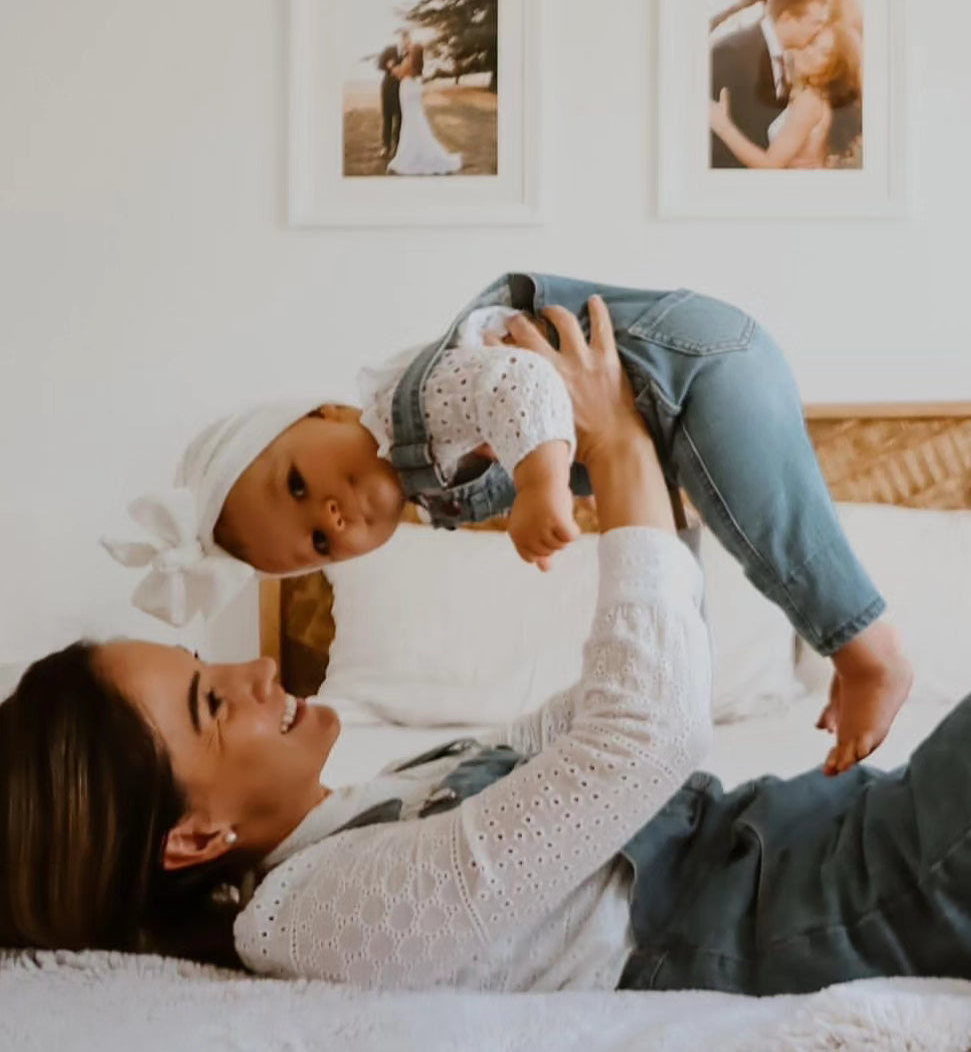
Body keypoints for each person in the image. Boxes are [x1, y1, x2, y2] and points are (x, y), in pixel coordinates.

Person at [6, 303, 971, 996]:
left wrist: (627, 463)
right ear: (193, 836)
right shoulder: (303, 917)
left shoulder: (380, 796)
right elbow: (649, 738)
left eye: (211, 674)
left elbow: (621, 699)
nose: (259, 672)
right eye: (211, 704)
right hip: (818, 911)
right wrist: (620, 452)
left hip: (828, 840)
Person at [105, 274, 911, 775]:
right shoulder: (429, 479)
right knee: (740, 537)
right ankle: (818, 656)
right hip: (672, 405)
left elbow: (522, 378)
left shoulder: (414, 400)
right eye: (321, 542)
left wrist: (540, 483)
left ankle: (866, 652)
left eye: (297, 482)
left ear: (326, 412)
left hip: (692, 364)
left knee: (770, 527)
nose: (334, 512)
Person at [710, 0, 832, 168]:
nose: (819, 31)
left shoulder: (788, 59)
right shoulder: (732, 52)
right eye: (816, 22)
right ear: (787, 18)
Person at [710, 22, 862, 168]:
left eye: (823, 53)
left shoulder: (810, 101)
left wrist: (723, 126)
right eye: (811, 43)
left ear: (837, 66)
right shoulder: (815, 95)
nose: (809, 53)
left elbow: (769, 165)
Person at [386, 42, 462, 176]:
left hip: (407, 90)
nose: (408, 47)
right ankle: (416, 153)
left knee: (410, 124)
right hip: (411, 92)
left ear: (413, 51)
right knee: (415, 123)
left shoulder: (408, 61)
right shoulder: (417, 63)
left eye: (411, 48)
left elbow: (399, 74)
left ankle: (408, 158)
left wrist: (391, 66)